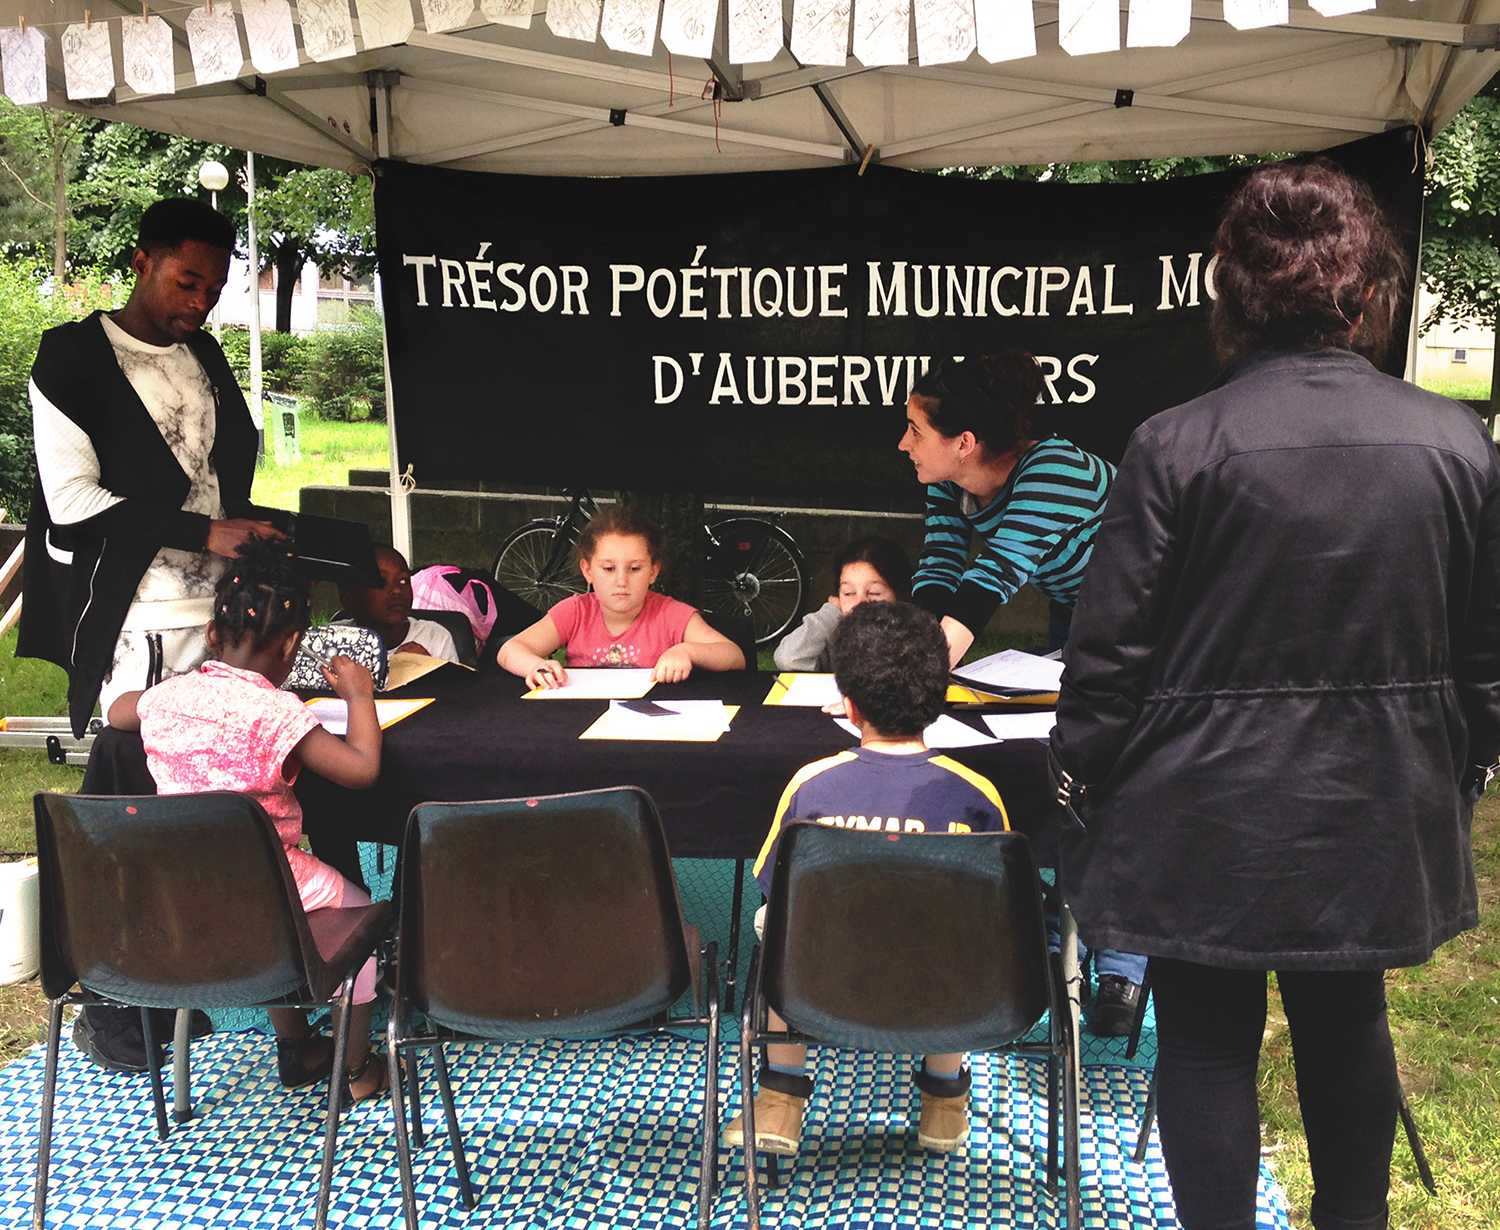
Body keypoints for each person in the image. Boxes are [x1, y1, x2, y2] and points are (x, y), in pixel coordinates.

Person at [1050, 158, 1500, 1230]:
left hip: (1202, 802)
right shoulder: (1457, 443)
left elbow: (1109, 656)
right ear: (1368, 288)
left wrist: (1080, 776)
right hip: (1378, 793)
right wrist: (1465, 770)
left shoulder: (1176, 444)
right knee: (1347, 1021)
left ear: (1234, 292)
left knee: (1208, 1039)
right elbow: (1485, 657)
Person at [18, 196, 274, 1073]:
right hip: (139, 626)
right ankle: (118, 1008)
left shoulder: (205, 355)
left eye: (215, 288)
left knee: (216, 817)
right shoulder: (73, 357)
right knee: (137, 819)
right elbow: (70, 501)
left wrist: (251, 537)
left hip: (218, 623)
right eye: (185, 281)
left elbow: (219, 479)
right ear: (141, 261)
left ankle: (191, 975)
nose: (200, 302)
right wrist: (205, 533)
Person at [898, 351, 1143, 1033]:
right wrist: (908, 661)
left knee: (1111, 769)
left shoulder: (1053, 469)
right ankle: (1049, 924)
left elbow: (992, 580)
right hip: (1077, 609)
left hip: (1150, 615)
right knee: (1045, 760)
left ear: (964, 442)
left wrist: (909, 684)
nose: (903, 444)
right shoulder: (948, 481)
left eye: (915, 430)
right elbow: (942, 568)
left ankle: (1123, 962)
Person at [108, 536, 393, 1105]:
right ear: (292, 645)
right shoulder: (278, 713)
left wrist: (166, 696)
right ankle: (357, 1068)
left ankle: (296, 1046)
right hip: (270, 880)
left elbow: (117, 711)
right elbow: (362, 769)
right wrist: (359, 696)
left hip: (183, 884)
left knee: (263, 925)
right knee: (358, 912)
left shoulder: (166, 699)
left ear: (211, 635)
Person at [724, 602, 1009, 1157]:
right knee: (967, 936)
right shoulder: (978, 794)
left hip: (823, 982)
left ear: (849, 706)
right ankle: (944, 1097)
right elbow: (997, 907)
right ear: (940, 698)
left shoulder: (810, 784)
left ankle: (780, 1096)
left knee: (780, 924)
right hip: (943, 985)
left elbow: (771, 886)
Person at [495, 505, 745, 686]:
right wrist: (535, 666)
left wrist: (686, 651)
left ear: (653, 571)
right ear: (587, 570)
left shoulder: (671, 615)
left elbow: (733, 655)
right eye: (608, 569)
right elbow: (510, 650)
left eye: (634, 569)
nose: (621, 580)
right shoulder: (575, 612)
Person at [772, 536, 912, 672]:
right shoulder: (833, 642)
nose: (860, 603)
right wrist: (830, 612)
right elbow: (789, 659)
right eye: (848, 593)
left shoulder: (913, 647)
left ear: (903, 599)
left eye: (874, 593)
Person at [337, 545, 460, 662]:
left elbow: (452, 678)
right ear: (349, 600)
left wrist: (428, 666)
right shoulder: (333, 642)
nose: (397, 590)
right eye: (381, 582)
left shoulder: (435, 638)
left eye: (403, 581)